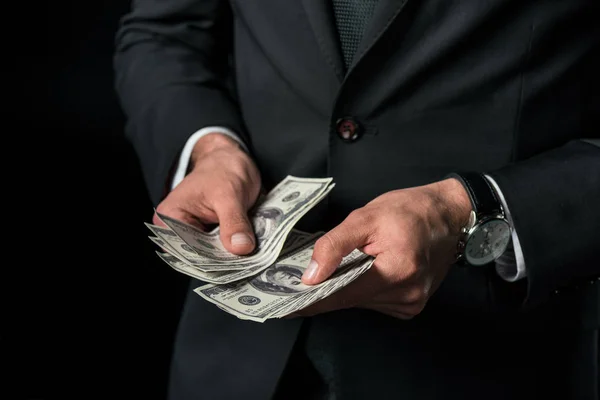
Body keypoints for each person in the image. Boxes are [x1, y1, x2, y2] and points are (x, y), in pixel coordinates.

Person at [113, 1, 600, 399]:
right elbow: (164, 33)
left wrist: (476, 209)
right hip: (232, 364)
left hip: (497, 358)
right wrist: (208, 147)